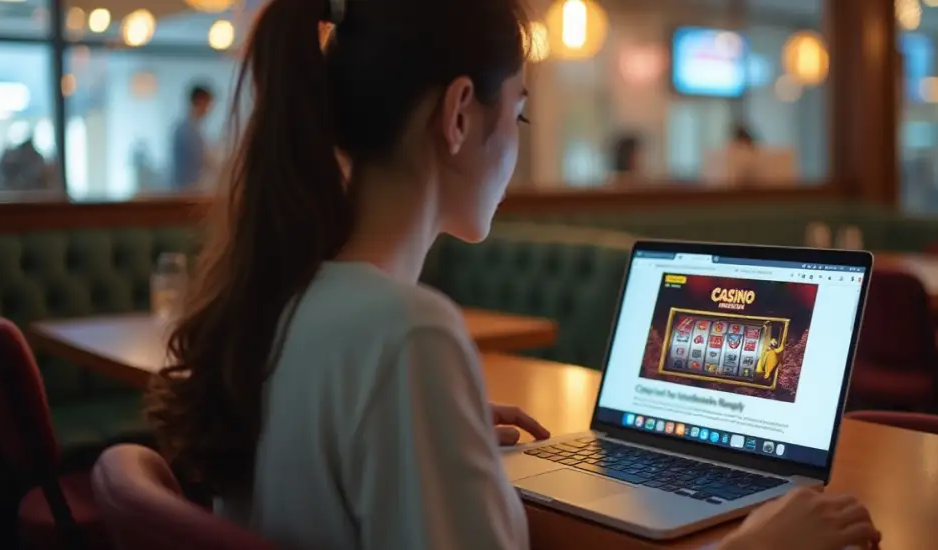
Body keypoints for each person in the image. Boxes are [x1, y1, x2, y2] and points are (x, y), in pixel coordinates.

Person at [145, 0, 881, 549]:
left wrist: (442, 438)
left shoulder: (285, 294)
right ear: (460, 114)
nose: (517, 150)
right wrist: (754, 546)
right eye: (520, 116)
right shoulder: (406, 333)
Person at [170, 84, 214, 189]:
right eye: (207, 105)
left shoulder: (194, 129)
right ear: (199, 102)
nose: (208, 110)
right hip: (187, 189)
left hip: (191, 187)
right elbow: (202, 160)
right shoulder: (186, 131)